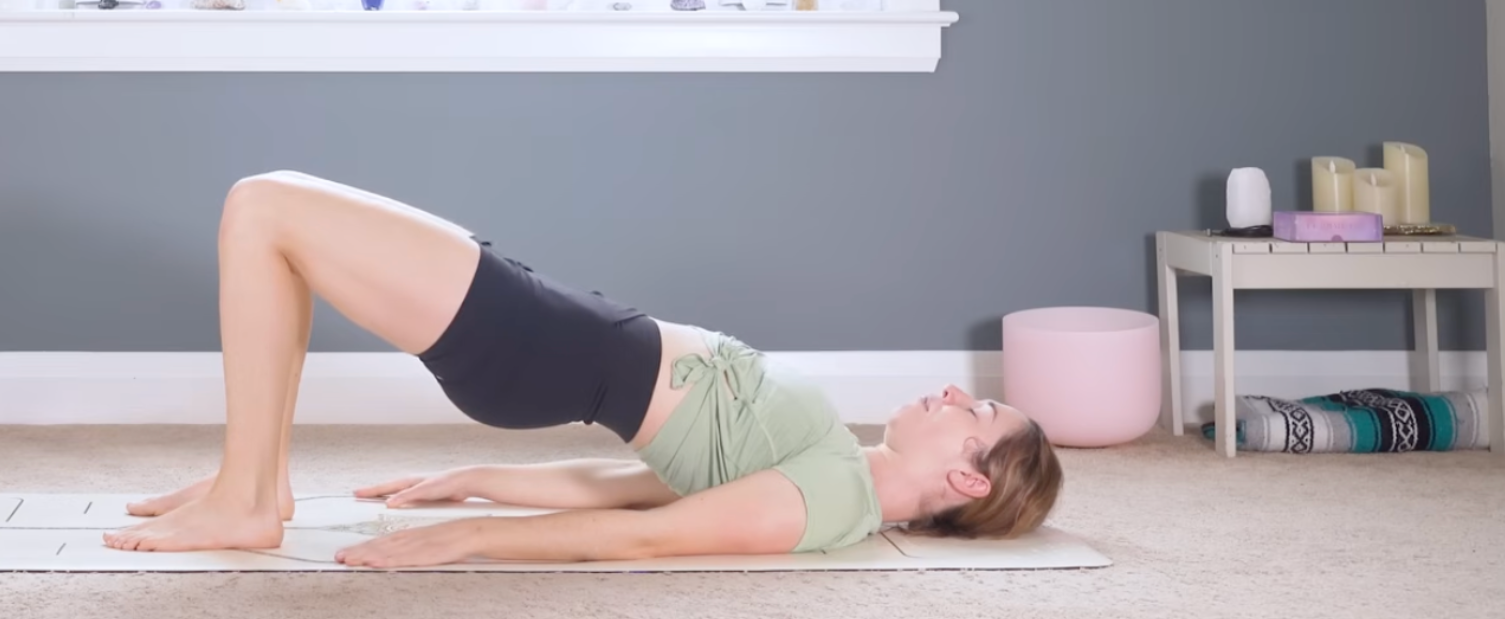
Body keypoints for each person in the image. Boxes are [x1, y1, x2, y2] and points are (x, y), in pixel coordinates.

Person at [102, 172, 1063, 567]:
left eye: (973, 409)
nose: (950, 391)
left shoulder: (827, 505)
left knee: (263, 207)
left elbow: (654, 539)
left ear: (968, 477)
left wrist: (469, 547)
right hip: (546, 324)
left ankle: (247, 499)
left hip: (536, 343)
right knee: (277, 229)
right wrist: (482, 484)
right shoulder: (833, 467)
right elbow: (647, 485)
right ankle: (257, 482)